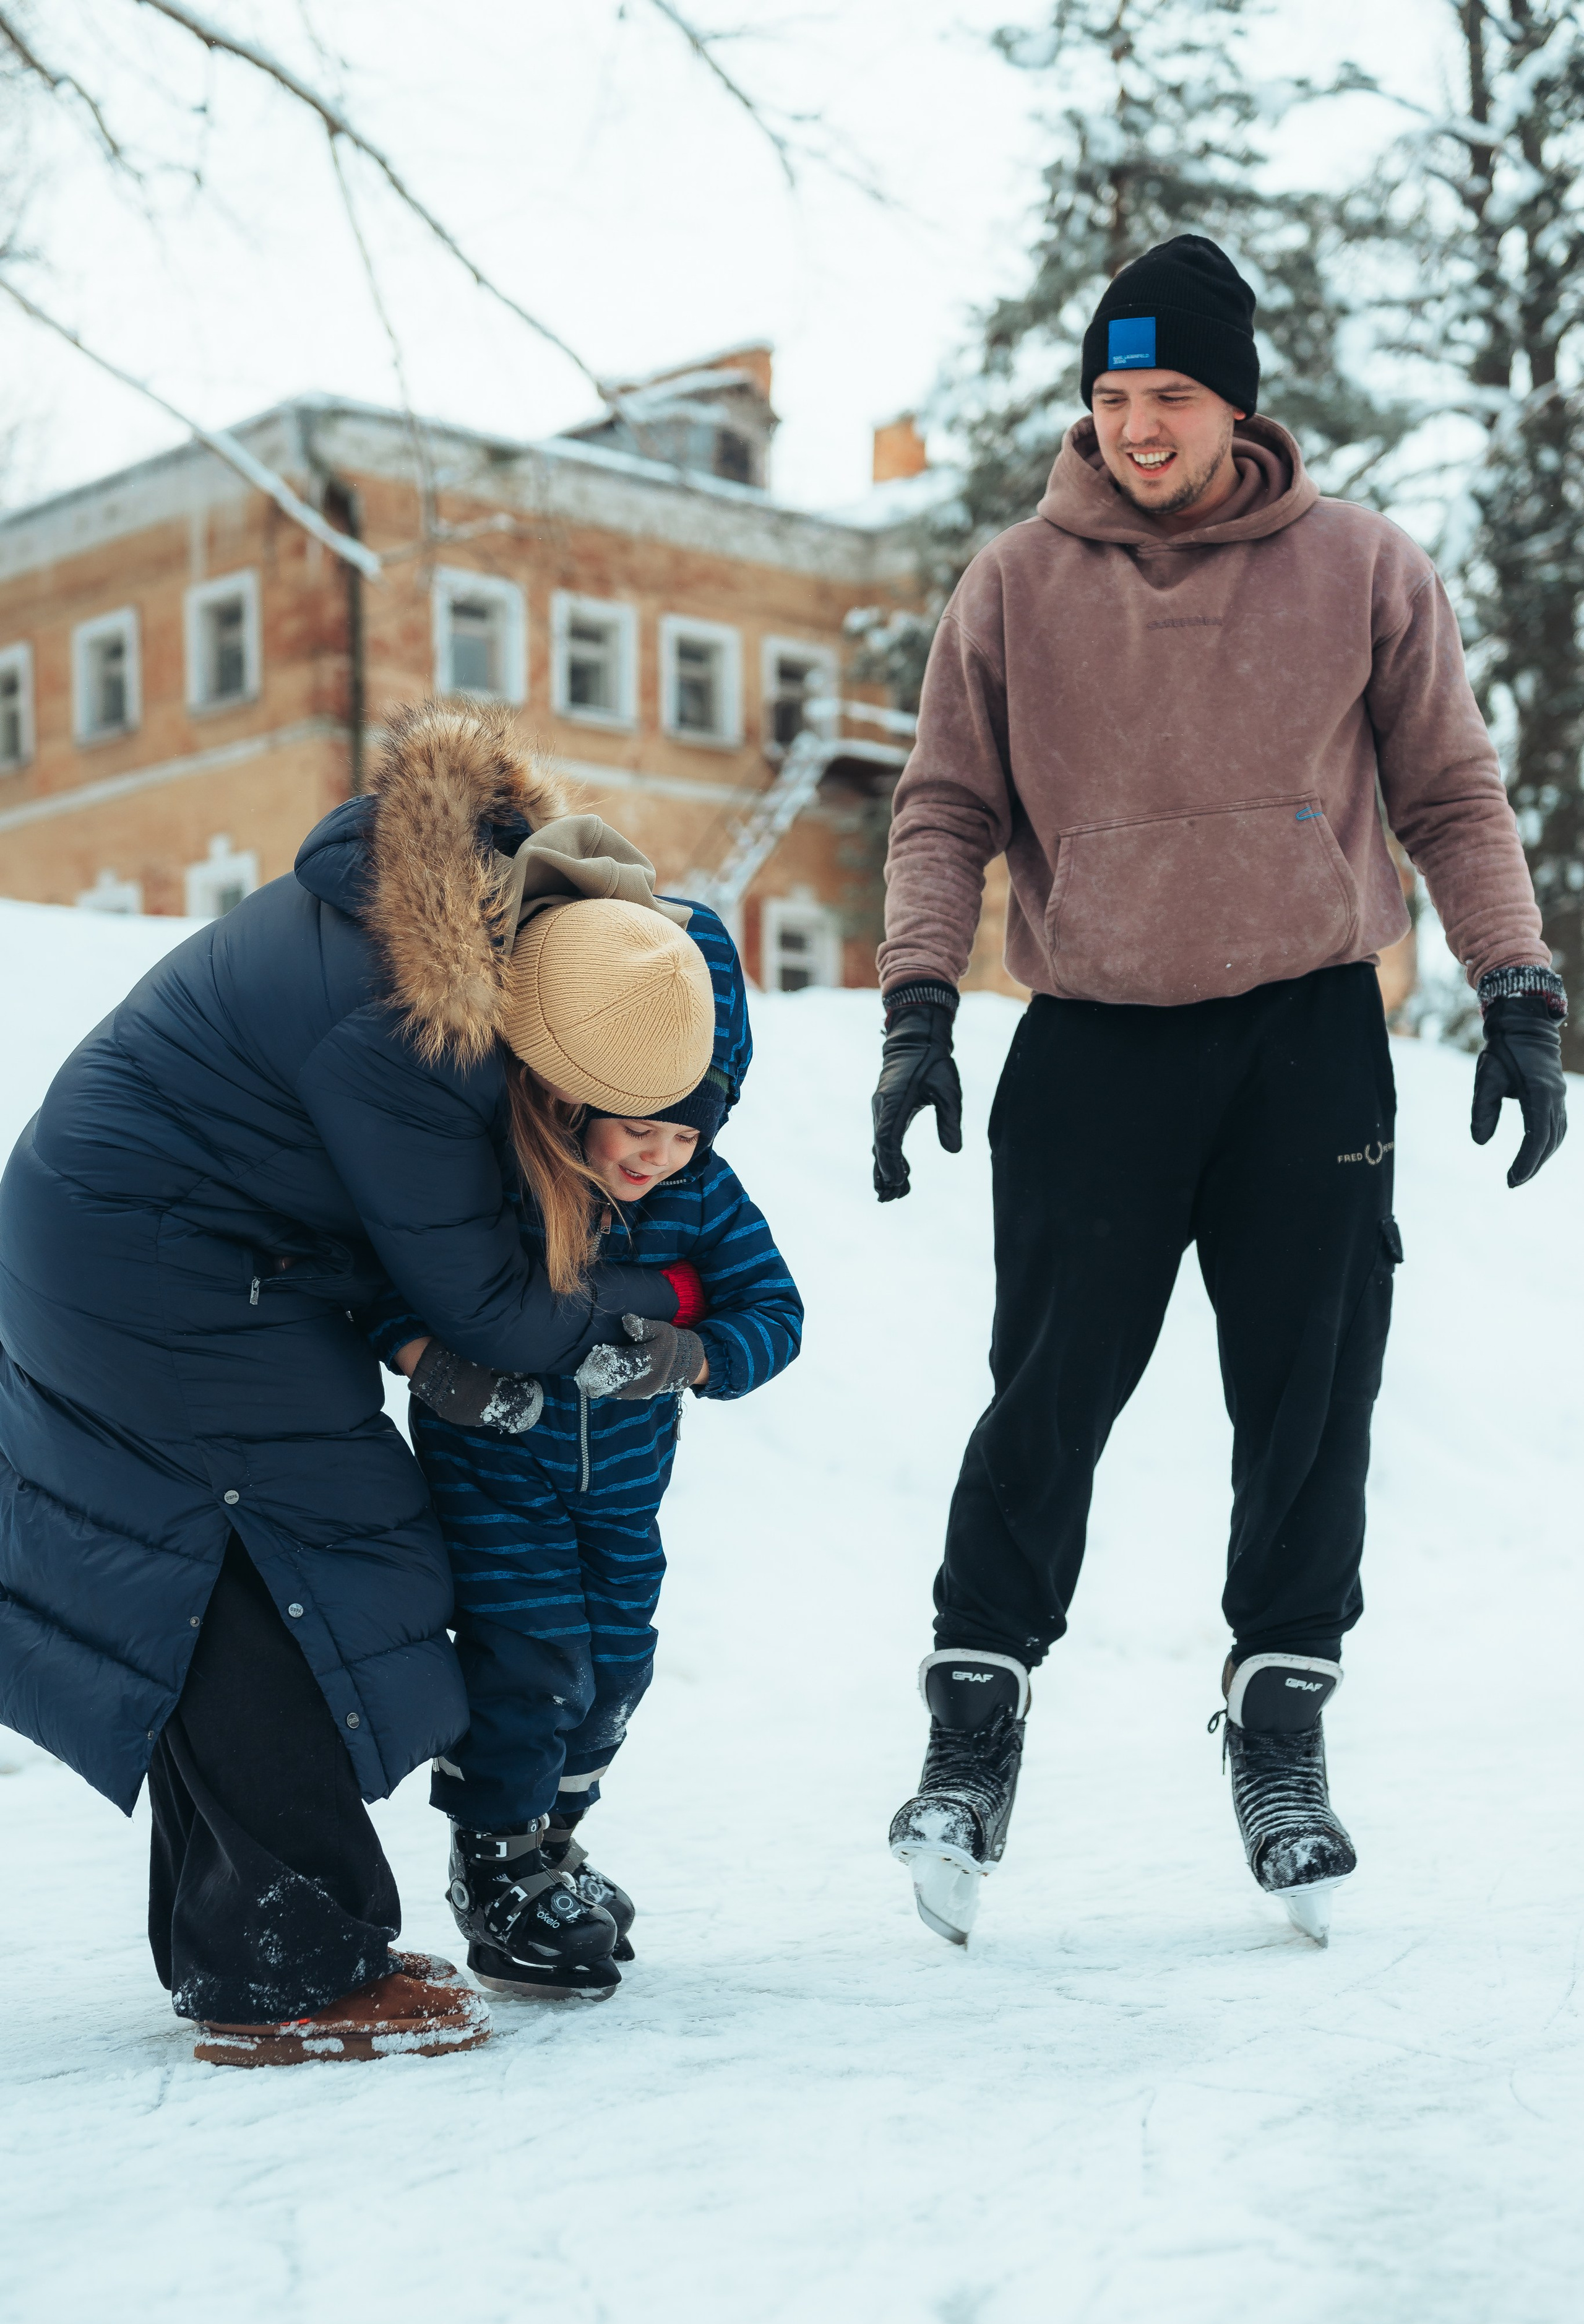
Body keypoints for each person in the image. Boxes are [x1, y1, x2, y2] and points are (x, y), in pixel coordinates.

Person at [870, 234, 1569, 1949]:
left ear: (1236, 402)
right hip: (1094, 1041)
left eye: (1168, 395)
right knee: (1045, 1397)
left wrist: (1519, 991)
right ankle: (972, 1740)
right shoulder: (1013, 586)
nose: (1136, 429)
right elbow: (942, 810)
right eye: (1111, 398)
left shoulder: (1364, 568)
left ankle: (1281, 1740)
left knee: (1311, 1397)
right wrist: (912, 1015)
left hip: (1304, 1042)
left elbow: (1456, 798)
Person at [0, 699, 715, 2064]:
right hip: (155, 1268)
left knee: (220, 1566)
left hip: (145, 1241)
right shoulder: (411, 1033)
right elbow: (483, 1302)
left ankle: (247, 1939)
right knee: (282, 1560)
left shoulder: (481, 926)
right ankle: (296, 1969)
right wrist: (648, 1328)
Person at [365, 886, 801, 2000]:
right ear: (577, 1100)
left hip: (624, 1495)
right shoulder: (506, 1178)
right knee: (534, 1658)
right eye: (637, 1127)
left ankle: (554, 1843)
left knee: (618, 1668)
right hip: (498, 1476)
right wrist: (438, 1367)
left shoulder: (702, 1195)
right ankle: (495, 1858)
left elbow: (775, 1313)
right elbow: (381, 1276)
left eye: (682, 1133)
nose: (653, 1156)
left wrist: (688, 1357)